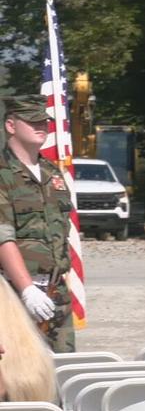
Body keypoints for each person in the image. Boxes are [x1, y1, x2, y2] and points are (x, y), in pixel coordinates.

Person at [0, 95, 74, 353]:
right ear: (11, 125)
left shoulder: (52, 172)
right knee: (17, 377)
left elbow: (61, 229)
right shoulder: (3, 174)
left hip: (55, 290)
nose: (41, 125)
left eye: (44, 121)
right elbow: (3, 237)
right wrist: (27, 289)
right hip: (12, 291)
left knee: (64, 373)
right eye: (32, 121)